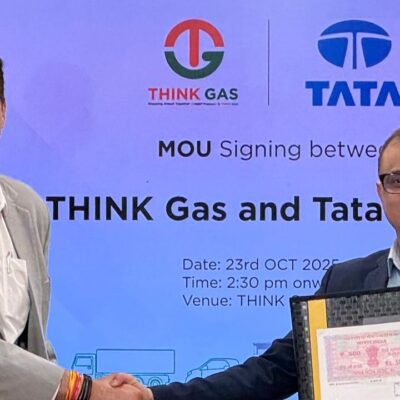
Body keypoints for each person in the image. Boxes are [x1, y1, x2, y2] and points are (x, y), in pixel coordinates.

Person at [111, 128, 400, 399]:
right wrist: (152, 397)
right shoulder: (345, 281)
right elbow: (270, 372)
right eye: (397, 180)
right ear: (381, 192)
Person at [0, 59, 149, 400]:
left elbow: (34, 348)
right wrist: (84, 391)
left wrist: (83, 390)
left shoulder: (27, 208)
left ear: (3, 112)